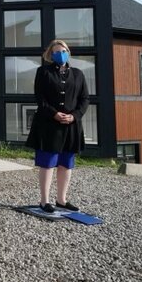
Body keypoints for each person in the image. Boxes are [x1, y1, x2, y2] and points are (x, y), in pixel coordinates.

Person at [26, 39, 89, 213]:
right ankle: (44, 201)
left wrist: (74, 116)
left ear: (68, 52)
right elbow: (40, 99)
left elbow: (85, 99)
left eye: (63, 51)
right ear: (50, 55)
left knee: (66, 163)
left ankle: (62, 199)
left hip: (71, 126)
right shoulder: (43, 72)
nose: (60, 54)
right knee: (47, 163)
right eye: (56, 52)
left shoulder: (78, 74)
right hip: (48, 124)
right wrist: (54, 113)